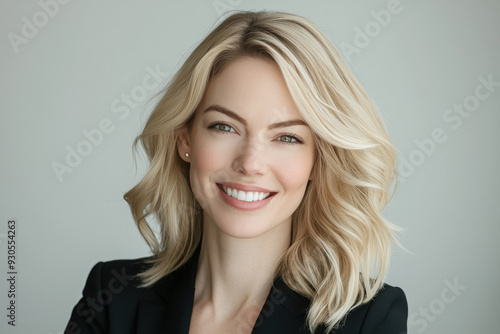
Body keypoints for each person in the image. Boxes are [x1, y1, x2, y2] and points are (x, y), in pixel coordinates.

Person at [65, 10, 408, 334]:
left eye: (287, 137)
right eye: (224, 127)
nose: (250, 163)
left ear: (318, 161)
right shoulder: (110, 298)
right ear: (185, 139)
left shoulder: (366, 319)